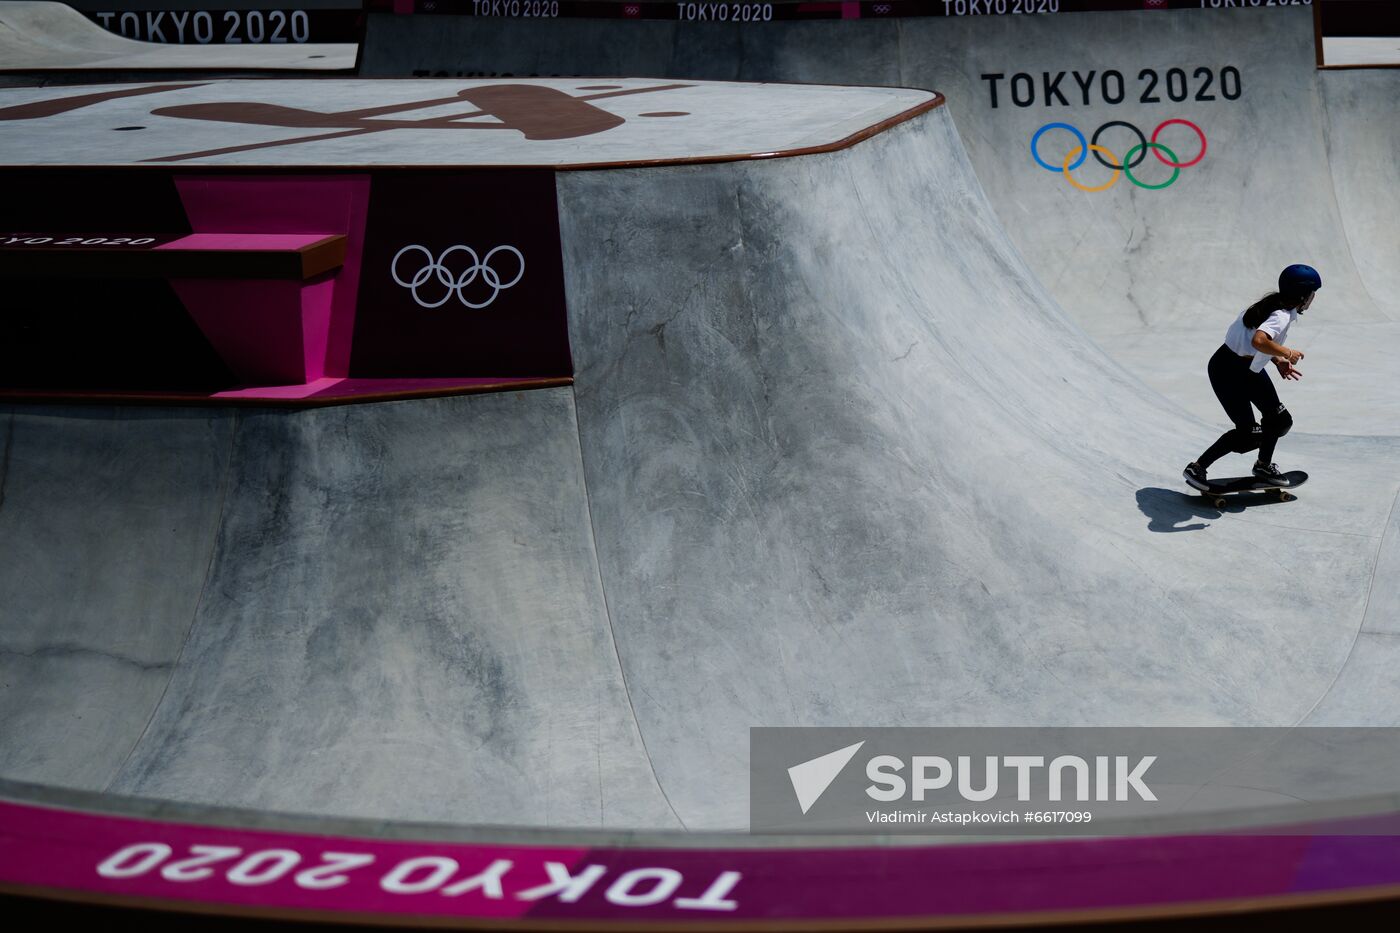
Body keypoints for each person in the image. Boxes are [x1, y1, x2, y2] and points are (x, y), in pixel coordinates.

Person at [1183, 264, 1321, 491]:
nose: (1313, 298)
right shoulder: (1280, 315)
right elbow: (1259, 341)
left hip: (1247, 369)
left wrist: (1277, 360)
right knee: (1249, 435)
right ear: (1302, 295)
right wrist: (1288, 353)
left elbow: (1252, 340)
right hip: (1227, 371)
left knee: (1279, 421)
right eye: (1313, 293)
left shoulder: (1271, 304)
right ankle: (1197, 468)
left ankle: (1263, 466)